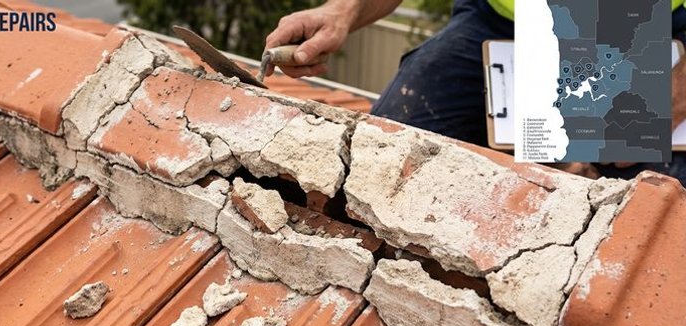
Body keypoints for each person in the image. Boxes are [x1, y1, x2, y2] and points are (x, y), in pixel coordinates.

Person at [265, 0, 686, 185]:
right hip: (505, 23)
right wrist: (341, 11)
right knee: (382, 161)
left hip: (643, 28)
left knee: (651, 223)